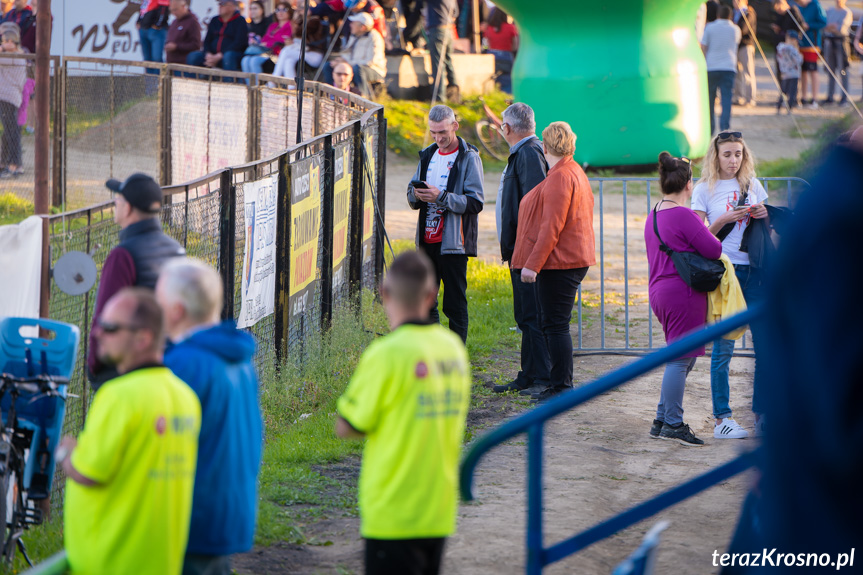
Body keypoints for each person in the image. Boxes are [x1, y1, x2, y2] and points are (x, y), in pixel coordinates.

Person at [335, 250, 470, 575]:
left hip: (393, 511)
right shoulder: (453, 349)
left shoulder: (385, 354)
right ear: (432, 294)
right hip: (438, 508)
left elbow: (349, 425)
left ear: (384, 292)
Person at [59, 288, 201, 575]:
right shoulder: (186, 396)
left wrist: (65, 452)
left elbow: (89, 472)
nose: (97, 333)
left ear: (143, 338)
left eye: (110, 328)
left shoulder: (118, 396)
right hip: (162, 562)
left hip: (112, 562)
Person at [156, 258, 263, 575]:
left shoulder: (184, 364)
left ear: (176, 311)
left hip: (191, 518)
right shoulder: (237, 359)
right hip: (229, 510)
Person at [692, 131, 769, 439]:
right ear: (716, 156)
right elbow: (698, 237)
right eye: (727, 154)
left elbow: (767, 232)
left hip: (756, 271)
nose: (733, 160)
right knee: (724, 347)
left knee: (766, 347)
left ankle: (763, 414)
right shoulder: (703, 189)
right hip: (726, 273)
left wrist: (763, 214)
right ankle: (722, 418)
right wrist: (723, 219)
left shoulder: (753, 185)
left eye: (738, 154)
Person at [511, 122, 595, 404]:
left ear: (545, 147)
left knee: (555, 325)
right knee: (555, 324)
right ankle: (560, 384)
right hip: (570, 258)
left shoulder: (560, 176)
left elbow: (552, 226)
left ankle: (561, 387)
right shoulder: (573, 170)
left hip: (562, 262)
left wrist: (532, 265)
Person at [644, 153, 722, 446]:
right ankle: (673, 423)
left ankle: (662, 419)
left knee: (680, 358)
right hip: (682, 294)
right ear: (689, 184)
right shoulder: (684, 215)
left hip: (660, 291)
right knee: (679, 360)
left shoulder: (654, 213)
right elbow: (713, 250)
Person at [87, 173, 186, 389]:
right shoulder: (176, 250)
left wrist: (94, 367)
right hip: (168, 365)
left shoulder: (123, 255)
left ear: (128, 208)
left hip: (126, 371)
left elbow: (106, 317)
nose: (115, 203)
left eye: (119, 199)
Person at [407, 104, 484, 343]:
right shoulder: (427, 154)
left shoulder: (469, 157)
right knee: (425, 299)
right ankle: (434, 350)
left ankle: (456, 357)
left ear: (455, 126)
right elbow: (411, 190)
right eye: (434, 133)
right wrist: (416, 196)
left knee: (454, 304)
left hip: (454, 244)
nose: (439, 138)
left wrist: (441, 197)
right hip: (427, 241)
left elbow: (475, 202)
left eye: (443, 132)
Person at [491, 103, 551, 396]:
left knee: (532, 315)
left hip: (525, 251)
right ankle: (528, 374)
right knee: (525, 315)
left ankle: (541, 376)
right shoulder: (524, 152)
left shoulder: (528, 153)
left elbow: (535, 205)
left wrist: (528, 252)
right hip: (519, 250)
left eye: (502, 124)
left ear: (508, 128)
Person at [702, 5, 741, 134]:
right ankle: (725, 128)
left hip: (711, 66)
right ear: (730, 16)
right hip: (729, 66)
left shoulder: (710, 28)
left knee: (710, 100)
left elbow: (703, 46)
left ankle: (710, 128)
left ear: (718, 15)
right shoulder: (735, 29)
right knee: (726, 99)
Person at [333, 13, 386, 99]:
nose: (350, 25)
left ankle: (363, 99)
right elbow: (347, 52)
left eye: (353, 23)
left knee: (358, 69)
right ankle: (332, 95)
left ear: (363, 27)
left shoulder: (374, 37)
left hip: (374, 70)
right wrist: (340, 61)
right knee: (329, 66)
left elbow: (370, 61)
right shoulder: (354, 36)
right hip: (354, 66)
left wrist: (348, 63)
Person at [187, 0, 249, 72]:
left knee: (228, 57)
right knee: (193, 56)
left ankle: (229, 82)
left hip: (231, 55)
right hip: (212, 54)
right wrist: (208, 54)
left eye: (223, 4)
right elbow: (207, 41)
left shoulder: (240, 21)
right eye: (219, 4)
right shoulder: (215, 20)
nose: (220, 6)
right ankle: (191, 81)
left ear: (232, 7)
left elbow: (239, 43)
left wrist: (220, 55)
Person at [0, 26, 25, 180]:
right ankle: (5, 163)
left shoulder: (14, 56)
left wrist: (3, 47)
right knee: (8, 132)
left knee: (11, 132)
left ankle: (14, 165)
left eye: (8, 41)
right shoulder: (8, 56)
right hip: (7, 97)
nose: (5, 44)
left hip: (8, 97)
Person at [241, 1, 293, 74]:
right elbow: (264, 39)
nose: (280, 12)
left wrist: (268, 43)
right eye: (278, 10)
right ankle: (249, 84)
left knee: (254, 61)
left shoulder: (291, 26)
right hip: (266, 52)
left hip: (277, 54)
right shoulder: (273, 25)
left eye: (284, 9)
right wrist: (266, 43)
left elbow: (282, 41)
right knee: (245, 60)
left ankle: (257, 84)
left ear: (289, 11)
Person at [271, 13, 326, 80]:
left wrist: (295, 23)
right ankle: (291, 87)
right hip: (305, 53)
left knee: (286, 51)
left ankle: (273, 80)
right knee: (289, 60)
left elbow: (307, 39)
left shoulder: (314, 21)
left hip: (314, 55)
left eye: (302, 8)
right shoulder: (299, 26)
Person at [793, 0, 826, 108]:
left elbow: (823, 22)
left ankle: (815, 99)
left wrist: (809, 25)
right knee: (803, 71)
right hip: (801, 44)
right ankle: (804, 97)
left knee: (813, 70)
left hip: (812, 44)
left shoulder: (816, 5)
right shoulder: (798, 6)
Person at [426, 0, 460, 103]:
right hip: (448, 30)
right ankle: (455, 95)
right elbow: (456, 13)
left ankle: (439, 97)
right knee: (448, 61)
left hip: (437, 29)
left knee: (437, 64)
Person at [821, 0, 853, 105]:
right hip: (829, 43)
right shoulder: (830, 11)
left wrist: (833, 28)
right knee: (830, 70)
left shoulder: (847, 12)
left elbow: (841, 28)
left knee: (843, 70)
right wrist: (832, 27)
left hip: (841, 44)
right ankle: (830, 96)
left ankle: (844, 97)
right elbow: (825, 27)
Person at [482, 7, 518, 93]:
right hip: (506, 55)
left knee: (493, 81)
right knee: (507, 81)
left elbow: (486, 44)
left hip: (491, 56)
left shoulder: (489, 28)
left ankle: (494, 97)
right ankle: (506, 100)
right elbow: (515, 46)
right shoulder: (511, 28)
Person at [732, 0, 757, 107]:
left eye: (738, 0)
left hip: (746, 45)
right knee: (737, 72)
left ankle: (750, 98)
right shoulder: (733, 13)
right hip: (735, 46)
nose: (736, 2)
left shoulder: (748, 13)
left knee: (748, 72)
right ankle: (738, 96)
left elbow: (743, 29)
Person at [165, 0, 202, 65]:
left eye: (176, 10)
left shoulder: (192, 22)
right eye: (172, 10)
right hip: (171, 64)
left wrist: (177, 47)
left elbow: (196, 45)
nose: (174, 13)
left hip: (184, 65)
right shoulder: (174, 22)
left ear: (183, 6)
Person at [775, 31, 803, 112]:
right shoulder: (792, 49)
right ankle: (789, 108)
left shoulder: (780, 48)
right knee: (792, 92)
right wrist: (800, 56)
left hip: (784, 73)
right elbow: (798, 60)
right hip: (794, 73)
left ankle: (779, 106)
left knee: (783, 91)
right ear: (793, 40)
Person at [138, 0, 170, 65]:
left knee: (157, 58)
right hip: (144, 28)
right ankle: (149, 75)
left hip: (156, 30)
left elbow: (163, 10)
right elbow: (143, 9)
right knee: (147, 58)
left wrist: (157, 24)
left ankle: (159, 75)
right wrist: (138, 21)